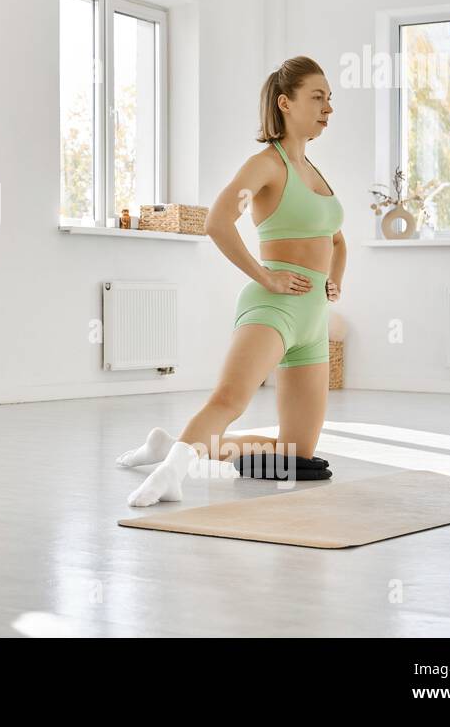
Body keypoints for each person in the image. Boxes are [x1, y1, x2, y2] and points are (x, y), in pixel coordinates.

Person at [118, 56, 344, 505]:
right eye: (318, 97)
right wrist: (266, 277)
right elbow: (218, 221)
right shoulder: (266, 165)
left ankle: (173, 447)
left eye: (330, 99)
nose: (328, 108)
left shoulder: (314, 172)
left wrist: (334, 281)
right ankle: (170, 474)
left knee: (297, 453)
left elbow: (338, 240)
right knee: (230, 399)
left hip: (313, 320)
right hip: (273, 308)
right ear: (285, 102)